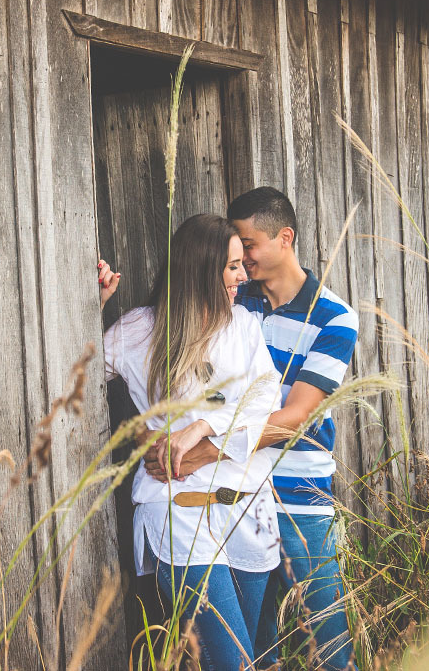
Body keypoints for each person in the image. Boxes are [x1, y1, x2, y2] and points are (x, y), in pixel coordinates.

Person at [144, 187, 359, 670]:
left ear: (285, 238)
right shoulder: (237, 307)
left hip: (300, 497)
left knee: (327, 639)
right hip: (235, 501)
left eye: (249, 245)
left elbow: (295, 418)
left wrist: (203, 450)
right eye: (234, 252)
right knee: (255, 646)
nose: (241, 259)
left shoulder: (334, 317)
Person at [99, 213, 284, 671]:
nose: (244, 277)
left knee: (264, 657)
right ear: (202, 268)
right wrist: (94, 305)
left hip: (246, 510)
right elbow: (73, 378)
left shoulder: (241, 326)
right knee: (233, 663)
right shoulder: (137, 331)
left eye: (242, 264)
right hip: (176, 511)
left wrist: (203, 427)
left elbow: (269, 407)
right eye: (233, 267)